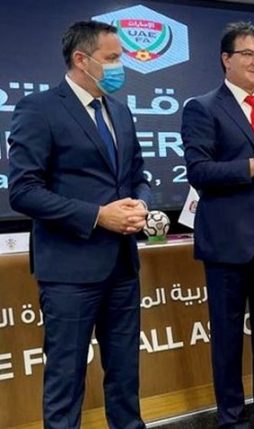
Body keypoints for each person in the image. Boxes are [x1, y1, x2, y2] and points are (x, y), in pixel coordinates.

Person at [8, 21, 150, 428]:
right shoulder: (39, 108)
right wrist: (99, 215)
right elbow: (23, 191)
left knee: (125, 377)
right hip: (69, 272)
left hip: (122, 266)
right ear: (81, 60)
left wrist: (140, 203)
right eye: (113, 58)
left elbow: (137, 174)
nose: (120, 66)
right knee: (65, 380)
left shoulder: (120, 111)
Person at [181, 22, 254, 429]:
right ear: (226, 59)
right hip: (227, 245)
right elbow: (199, 171)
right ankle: (231, 421)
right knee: (228, 342)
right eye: (248, 54)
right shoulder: (202, 108)